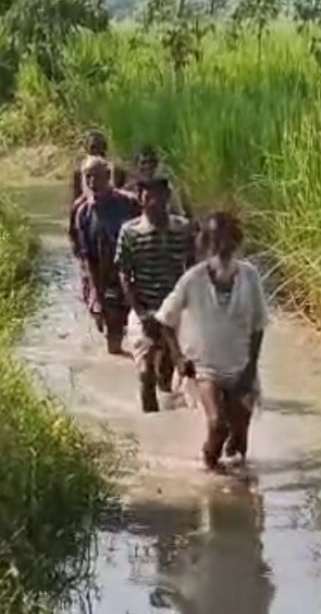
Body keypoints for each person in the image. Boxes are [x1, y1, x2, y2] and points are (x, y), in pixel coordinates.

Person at [156, 211, 268, 471]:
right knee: (217, 425)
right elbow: (165, 320)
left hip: (242, 368)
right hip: (206, 370)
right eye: (215, 239)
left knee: (239, 440)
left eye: (227, 239)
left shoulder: (249, 276)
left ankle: (241, 495)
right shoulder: (192, 279)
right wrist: (178, 358)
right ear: (206, 243)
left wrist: (250, 369)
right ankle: (208, 477)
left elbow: (259, 326)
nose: (222, 246)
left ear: (236, 241)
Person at [116, 177, 195, 412]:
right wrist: (141, 313)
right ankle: (149, 426)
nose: (152, 202)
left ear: (167, 198)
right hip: (144, 309)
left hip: (174, 311)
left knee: (165, 374)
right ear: (140, 199)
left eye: (157, 196)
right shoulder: (130, 232)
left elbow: (192, 270)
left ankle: (167, 422)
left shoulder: (182, 229)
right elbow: (124, 275)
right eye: (146, 196)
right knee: (146, 374)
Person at [71, 156, 140, 354]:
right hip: (106, 281)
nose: (92, 183)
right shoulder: (83, 212)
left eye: (97, 177)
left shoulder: (129, 204)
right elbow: (87, 258)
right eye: (88, 177)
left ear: (108, 176)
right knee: (114, 345)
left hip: (133, 278)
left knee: (148, 344)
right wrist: (96, 297)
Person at [129, 145, 189, 219]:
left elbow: (179, 215)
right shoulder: (131, 191)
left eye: (151, 161)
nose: (148, 166)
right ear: (136, 165)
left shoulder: (167, 189)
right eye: (143, 163)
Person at [70, 128, 126, 204]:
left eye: (99, 147)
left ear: (104, 148)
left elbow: (120, 193)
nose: (96, 151)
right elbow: (76, 197)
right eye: (93, 147)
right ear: (87, 149)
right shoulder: (79, 171)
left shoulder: (115, 169)